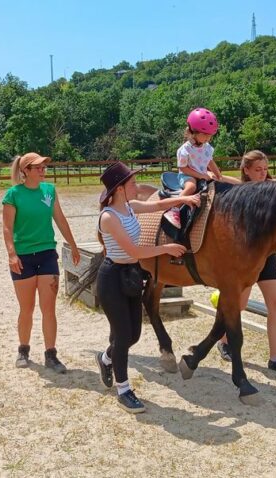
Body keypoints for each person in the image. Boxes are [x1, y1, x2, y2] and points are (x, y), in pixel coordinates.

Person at [94, 161, 200, 413]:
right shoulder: (109, 217)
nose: (137, 186)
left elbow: (158, 204)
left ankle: (105, 358)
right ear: (119, 189)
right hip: (112, 278)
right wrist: (166, 248)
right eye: (131, 183)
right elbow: (134, 251)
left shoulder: (131, 207)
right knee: (122, 336)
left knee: (133, 335)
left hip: (130, 274)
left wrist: (183, 200)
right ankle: (124, 390)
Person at [215, 150, 276, 375]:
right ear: (246, 170)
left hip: (269, 256)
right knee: (238, 305)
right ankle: (223, 341)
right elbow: (220, 178)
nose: (263, 174)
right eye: (258, 170)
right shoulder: (239, 192)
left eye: (265, 169)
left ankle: (275, 357)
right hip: (246, 258)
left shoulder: (274, 191)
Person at [2, 152, 80, 372]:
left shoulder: (50, 191)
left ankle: (51, 354)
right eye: (38, 167)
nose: (43, 170)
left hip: (47, 254)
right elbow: (7, 228)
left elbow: (60, 219)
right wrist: (11, 254)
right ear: (25, 170)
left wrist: (73, 245)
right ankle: (23, 350)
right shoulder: (13, 195)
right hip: (23, 257)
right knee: (26, 309)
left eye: (44, 167)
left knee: (49, 309)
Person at [163, 108, 223, 228]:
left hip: (202, 175)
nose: (208, 138)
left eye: (210, 136)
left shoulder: (206, 147)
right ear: (194, 132)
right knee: (191, 187)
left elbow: (210, 162)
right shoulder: (185, 150)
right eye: (205, 135)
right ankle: (174, 209)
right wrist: (200, 175)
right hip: (187, 176)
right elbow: (183, 168)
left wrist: (218, 175)